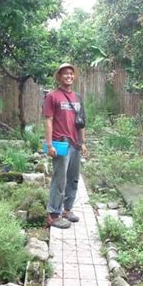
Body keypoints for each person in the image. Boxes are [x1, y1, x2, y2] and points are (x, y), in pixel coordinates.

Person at [43, 63, 87, 229]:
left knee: (73, 179)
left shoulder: (78, 98)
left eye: (71, 73)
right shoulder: (52, 97)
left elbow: (81, 122)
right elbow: (48, 120)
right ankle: (53, 215)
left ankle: (67, 209)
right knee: (59, 180)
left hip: (75, 143)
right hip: (60, 143)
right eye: (65, 74)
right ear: (59, 77)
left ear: (73, 76)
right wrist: (49, 145)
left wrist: (82, 143)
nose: (68, 76)